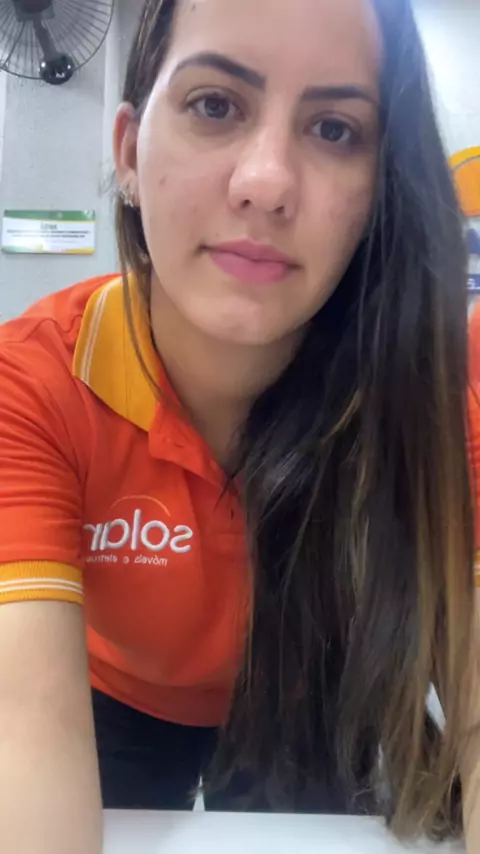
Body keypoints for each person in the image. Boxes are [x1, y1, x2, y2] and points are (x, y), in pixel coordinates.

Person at [0, 0, 479, 851]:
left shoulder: (431, 399)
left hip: (308, 690)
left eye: (334, 129)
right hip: (115, 694)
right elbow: (22, 731)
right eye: (215, 104)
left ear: (380, 191)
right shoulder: (31, 385)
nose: (267, 181)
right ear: (128, 154)